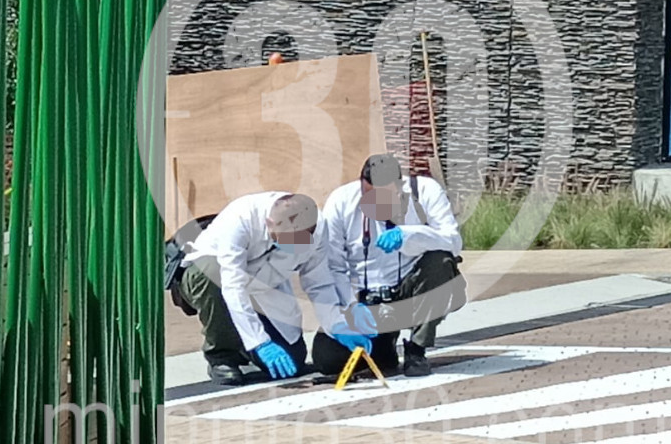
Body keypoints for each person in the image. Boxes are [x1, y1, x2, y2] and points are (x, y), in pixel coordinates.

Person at [177, 192, 366, 386]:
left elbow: (318, 282)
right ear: (269, 223)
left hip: (264, 288)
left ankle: (242, 343)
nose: (292, 245)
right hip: (214, 278)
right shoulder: (240, 218)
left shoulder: (318, 227)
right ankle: (222, 356)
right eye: (286, 238)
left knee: (291, 362)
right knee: (212, 275)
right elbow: (233, 287)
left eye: (298, 240)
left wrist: (335, 323)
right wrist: (260, 343)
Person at [315, 154, 466, 378]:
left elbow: (453, 241)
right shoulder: (341, 201)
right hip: (367, 301)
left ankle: (417, 348)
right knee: (327, 359)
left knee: (440, 261)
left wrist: (410, 235)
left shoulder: (424, 191)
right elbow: (332, 265)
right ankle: (384, 347)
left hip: (412, 289)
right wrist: (350, 305)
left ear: (398, 187)